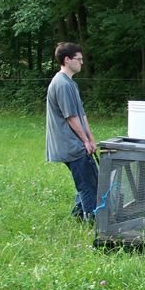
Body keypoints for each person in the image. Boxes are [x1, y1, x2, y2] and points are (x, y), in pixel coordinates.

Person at [45, 42, 98, 221]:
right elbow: (71, 118)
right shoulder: (62, 84)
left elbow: (81, 115)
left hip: (77, 143)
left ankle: (77, 216)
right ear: (67, 60)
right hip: (70, 144)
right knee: (88, 184)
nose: (81, 63)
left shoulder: (71, 84)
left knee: (90, 179)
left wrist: (91, 139)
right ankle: (91, 219)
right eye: (78, 59)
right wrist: (84, 141)